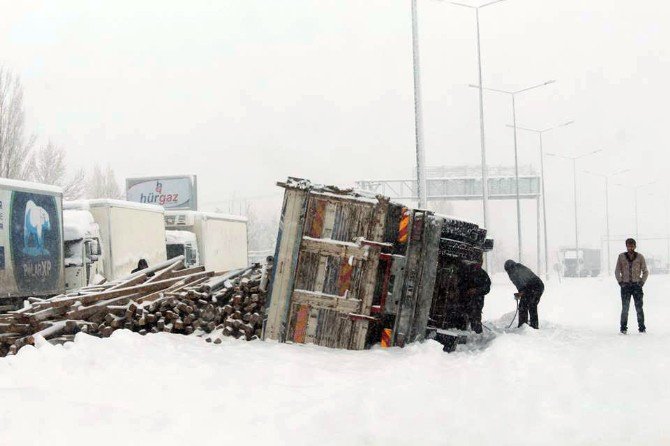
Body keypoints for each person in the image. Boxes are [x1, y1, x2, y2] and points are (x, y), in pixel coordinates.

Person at [614, 238, 648, 334]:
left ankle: (642, 328)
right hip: (625, 286)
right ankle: (623, 328)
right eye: (629, 246)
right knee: (625, 308)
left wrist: (641, 282)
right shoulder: (621, 257)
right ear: (626, 246)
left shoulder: (640, 257)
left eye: (632, 246)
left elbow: (645, 271)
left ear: (635, 246)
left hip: (637, 286)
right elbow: (617, 270)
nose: (630, 248)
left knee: (639, 308)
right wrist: (620, 282)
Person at [504, 259, 544, 329]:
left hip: (533, 287)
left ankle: (523, 326)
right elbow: (521, 285)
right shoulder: (519, 267)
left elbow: (522, 284)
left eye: (508, 270)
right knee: (532, 305)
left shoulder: (514, 271)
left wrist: (521, 293)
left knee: (524, 305)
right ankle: (533, 325)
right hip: (539, 286)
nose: (508, 272)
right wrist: (521, 293)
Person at [459, 258, 491, 334]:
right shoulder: (465, 272)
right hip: (464, 300)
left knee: (475, 317)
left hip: (477, 301)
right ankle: (462, 333)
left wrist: (476, 291)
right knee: (462, 317)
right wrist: (466, 291)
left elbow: (486, 288)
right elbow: (460, 284)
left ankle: (477, 335)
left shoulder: (483, 274)